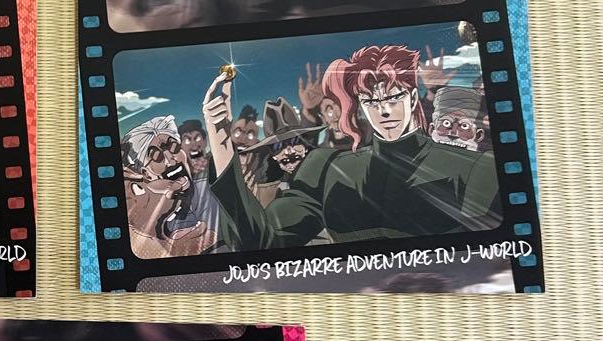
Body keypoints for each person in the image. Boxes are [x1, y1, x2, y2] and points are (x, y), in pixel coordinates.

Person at [201, 44, 500, 249]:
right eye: (372, 101)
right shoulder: (326, 167)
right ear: (361, 105)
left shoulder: (475, 168)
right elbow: (262, 241)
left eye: (394, 98)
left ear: (411, 98)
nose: (384, 111)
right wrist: (220, 137)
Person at [119, 115, 216, 258]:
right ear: (146, 174)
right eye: (156, 156)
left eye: (174, 147)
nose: (170, 159)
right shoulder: (153, 218)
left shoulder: (210, 194)